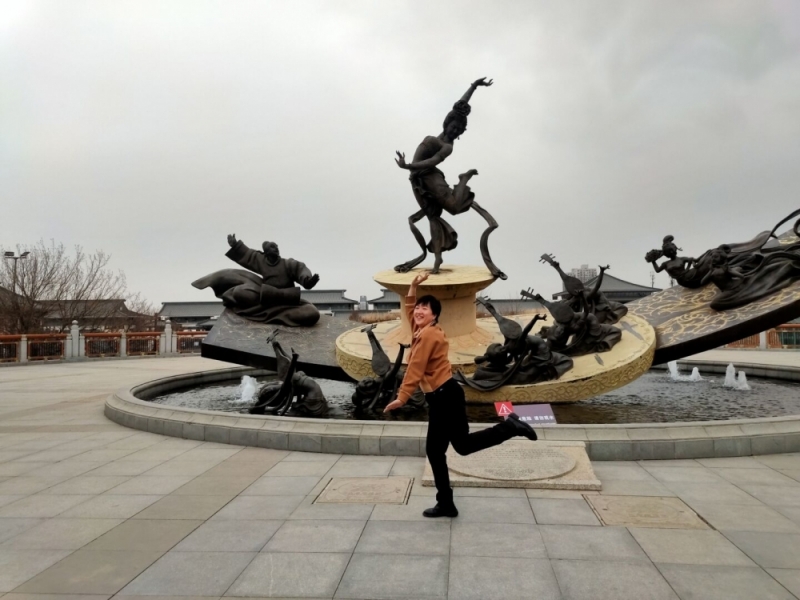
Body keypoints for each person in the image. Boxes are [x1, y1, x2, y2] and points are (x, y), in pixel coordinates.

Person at [383, 271, 538, 518]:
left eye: (425, 309)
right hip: (444, 395)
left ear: (434, 315)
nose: (418, 311)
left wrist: (402, 397)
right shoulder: (422, 331)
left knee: (445, 450)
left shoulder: (428, 335)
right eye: (418, 308)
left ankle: (510, 427)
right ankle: (446, 502)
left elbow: (416, 368)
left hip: (444, 397)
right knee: (454, 448)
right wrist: (412, 287)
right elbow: (410, 310)